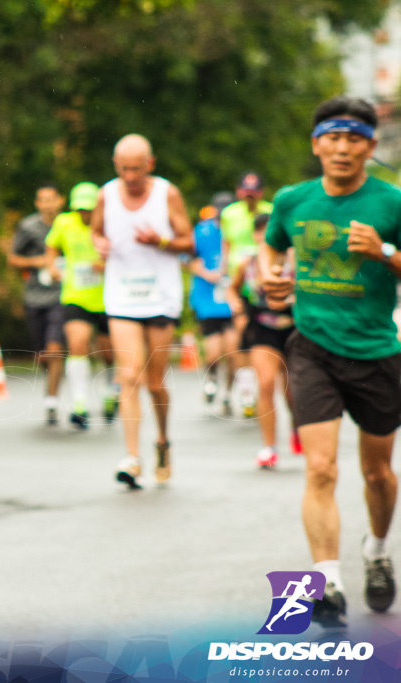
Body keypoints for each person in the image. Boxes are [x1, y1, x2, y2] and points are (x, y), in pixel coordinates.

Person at [262, 95, 401, 626]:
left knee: (378, 473)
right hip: (311, 346)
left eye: (353, 138)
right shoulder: (292, 201)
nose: (342, 148)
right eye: (332, 137)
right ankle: (327, 582)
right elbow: (271, 248)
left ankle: (377, 550)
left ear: (369, 145)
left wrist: (384, 254)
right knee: (319, 467)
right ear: (316, 143)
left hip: (377, 352)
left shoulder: (391, 204)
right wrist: (270, 276)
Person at [91, 134, 194, 488]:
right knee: (129, 374)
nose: (130, 177)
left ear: (150, 164)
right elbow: (95, 231)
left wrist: (160, 241)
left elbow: (188, 242)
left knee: (155, 383)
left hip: (161, 295)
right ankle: (132, 457)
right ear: (115, 166)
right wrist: (99, 244)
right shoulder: (106, 194)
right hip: (122, 295)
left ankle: (162, 440)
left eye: (137, 169)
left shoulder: (168, 194)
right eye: (123, 169)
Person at [44, 181, 119, 427]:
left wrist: (108, 266)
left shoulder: (111, 223)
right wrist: (52, 266)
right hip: (75, 296)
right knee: (77, 344)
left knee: (108, 354)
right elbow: (51, 246)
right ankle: (80, 405)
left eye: (89, 209)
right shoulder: (64, 222)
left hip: (108, 299)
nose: (85, 214)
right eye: (80, 210)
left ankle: (110, 394)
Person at [228, 213, 297, 469]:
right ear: (256, 236)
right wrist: (236, 305)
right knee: (266, 383)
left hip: (293, 328)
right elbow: (232, 288)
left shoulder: (296, 262)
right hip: (262, 328)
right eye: (261, 232)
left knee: (292, 390)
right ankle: (269, 446)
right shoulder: (248, 264)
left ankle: (297, 426)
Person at [7, 183, 66, 425]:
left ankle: (51, 399)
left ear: (60, 201)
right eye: (43, 200)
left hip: (62, 295)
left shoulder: (68, 225)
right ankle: (50, 376)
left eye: (52, 199)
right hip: (35, 296)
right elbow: (13, 258)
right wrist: (40, 261)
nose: (48, 204)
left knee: (55, 348)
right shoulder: (28, 227)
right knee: (43, 352)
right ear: (37, 204)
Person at [222, 172, 272, 418]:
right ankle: (246, 393)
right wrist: (223, 275)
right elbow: (226, 244)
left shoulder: (271, 211)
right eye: (245, 191)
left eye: (254, 191)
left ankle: (259, 387)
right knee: (240, 335)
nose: (250, 195)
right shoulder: (229, 213)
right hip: (241, 281)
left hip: (267, 282)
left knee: (261, 340)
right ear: (239, 191)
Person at [189, 192, 236, 411]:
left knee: (233, 350)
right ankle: (211, 379)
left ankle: (229, 393)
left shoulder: (240, 229)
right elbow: (189, 259)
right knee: (213, 351)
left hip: (232, 297)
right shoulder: (202, 230)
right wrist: (208, 273)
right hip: (208, 297)